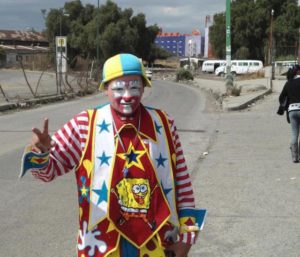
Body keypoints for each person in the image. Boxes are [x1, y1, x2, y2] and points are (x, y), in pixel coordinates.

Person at [20, 53, 206, 257]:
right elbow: (48, 173)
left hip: (158, 246)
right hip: (102, 248)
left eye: (134, 87)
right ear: (106, 89)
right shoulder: (84, 125)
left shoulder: (164, 124)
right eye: (118, 88)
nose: (127, 95)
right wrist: (41, 153)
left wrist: (187, 240)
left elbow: (183, 184)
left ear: (144, 88)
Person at [279, 64, 300, 163]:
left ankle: (295, 157)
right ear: (298, 71)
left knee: (294, 134)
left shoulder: (288, 83)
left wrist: (287, 106)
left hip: (292, 111)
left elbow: (281, 98)